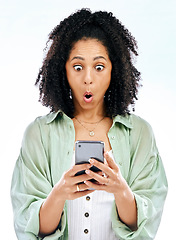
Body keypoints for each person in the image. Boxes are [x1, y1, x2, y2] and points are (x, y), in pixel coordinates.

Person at [11, 8, 168, 240]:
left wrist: (120, 190)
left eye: (99, 67)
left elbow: (146, 226)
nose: (88, 78)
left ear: (114, 70)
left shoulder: (140, 134)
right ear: (62, 70)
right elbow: (31, 229)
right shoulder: (38, 134)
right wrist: (59, 193)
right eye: (77, 67)